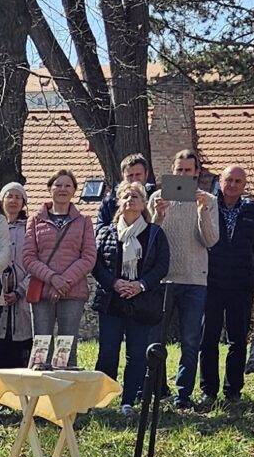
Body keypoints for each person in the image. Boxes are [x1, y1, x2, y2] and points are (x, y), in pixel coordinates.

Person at [154, 150, 222, 409]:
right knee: (156, 338)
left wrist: (203, 211)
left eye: (188, 171)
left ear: (196, 172)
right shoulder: (157, 198)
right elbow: (150, 239)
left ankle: (183, 395)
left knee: (191, 341)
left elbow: (211, 240)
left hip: (195, 280)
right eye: (179, 170)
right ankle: (157, 390)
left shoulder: (209, 200)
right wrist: (159, 214)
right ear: (172, 171)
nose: (183, 175)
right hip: (163, 279)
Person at [92, 178, 169, 402]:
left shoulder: (154, 233)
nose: (129, 200)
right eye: (125, 196)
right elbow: (96, 265)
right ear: (118, 202)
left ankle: (129, 400)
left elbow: (162, 265)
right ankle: (103, 399)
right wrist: (114, 283)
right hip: (111, 301)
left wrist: (140, 285)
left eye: (135, 196)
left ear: (144, 203)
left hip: (141, 302)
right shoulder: (106, 232)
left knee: (136, 355)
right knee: (107, 352)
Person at [201, 164, 254, 407]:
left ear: (244, 185)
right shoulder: (208, 205)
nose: (233, 185)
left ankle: (233, 390)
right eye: (229, 180)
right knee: (208, 338)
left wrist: (245, 264)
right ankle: (208, 390)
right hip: (211, 282)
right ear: (221, 181)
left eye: (238, 181)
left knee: (237, 340)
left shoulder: (253, 210)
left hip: (241, 283)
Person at [22, 170, 97, 370]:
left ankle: (64, 393)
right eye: (57, 185)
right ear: (49, 189)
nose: (62, 189)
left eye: (67, 185)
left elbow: (88, 257)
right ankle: (38, 395)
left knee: (67, 344)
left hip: (73, 292)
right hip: (42, 291)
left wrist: (65, 281)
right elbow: (29, 257)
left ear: (74, 191)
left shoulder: (84, 222)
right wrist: (53, 278)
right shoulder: (35, 220)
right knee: (41, 345)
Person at [0, 182, 36, 408]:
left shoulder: (30, 228)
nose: (13, 201)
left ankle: (21, 398)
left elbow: (34, 262)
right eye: (9, 196)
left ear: (23, 202)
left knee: (21, 345)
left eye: (18, 197)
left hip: (23, 293)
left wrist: (20, 290)